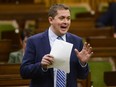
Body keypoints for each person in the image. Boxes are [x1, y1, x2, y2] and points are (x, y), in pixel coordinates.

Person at [20, 4, 93, 87]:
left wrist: (82, 63)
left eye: (68, 18)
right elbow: (24, 72)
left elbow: (83, 76)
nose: (66, 22)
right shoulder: (34, 41)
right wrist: (42, 66)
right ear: (51, 20)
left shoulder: (77, 41)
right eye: (62, 18)